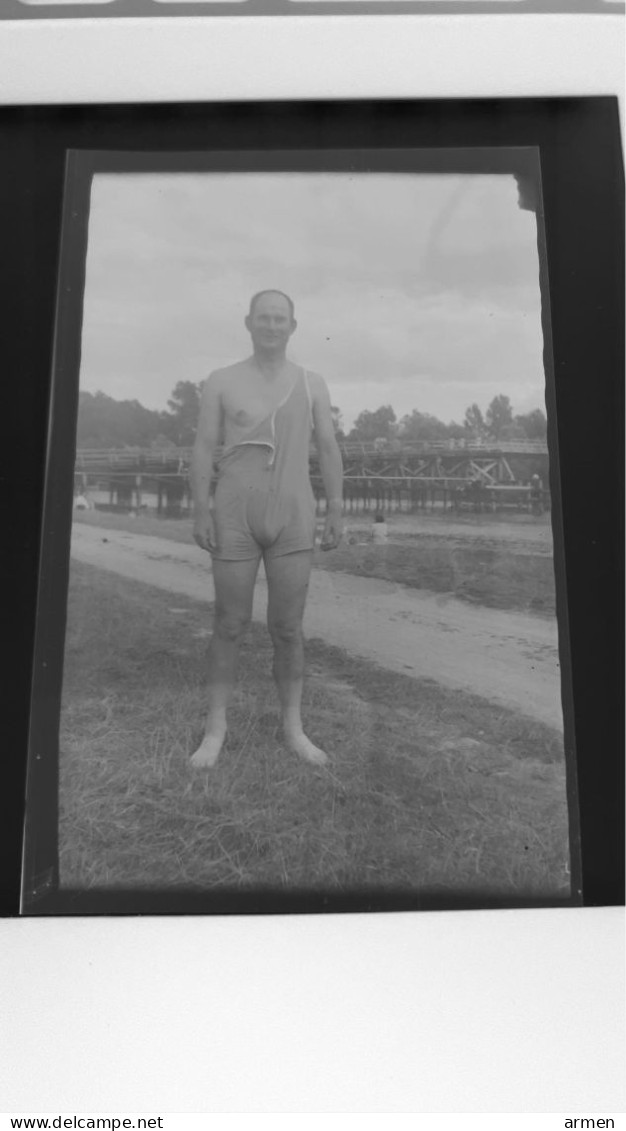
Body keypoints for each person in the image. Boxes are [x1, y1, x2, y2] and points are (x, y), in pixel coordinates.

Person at [190, 290, 344, 769]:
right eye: (264, 318)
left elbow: (328, 446)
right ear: (249, 323)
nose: (272, 325)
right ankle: (215, 729)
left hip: (293, 513)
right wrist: (200, 508)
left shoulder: (311, 382)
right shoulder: (221, 381)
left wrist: (336, 508)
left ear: (293, 326)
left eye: (280, 319)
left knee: (287, 628)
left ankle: (293, 727)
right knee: (229, 624)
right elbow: (202, 447)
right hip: (235, 512)